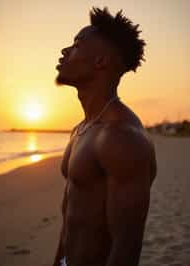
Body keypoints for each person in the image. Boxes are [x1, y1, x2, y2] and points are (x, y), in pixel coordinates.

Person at [53, 7, 157, 266]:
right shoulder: (81, 129)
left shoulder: (122, 139)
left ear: (100, 61)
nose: (65, 51)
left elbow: (127, 245)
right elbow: (69, 217)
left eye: (76, 45)